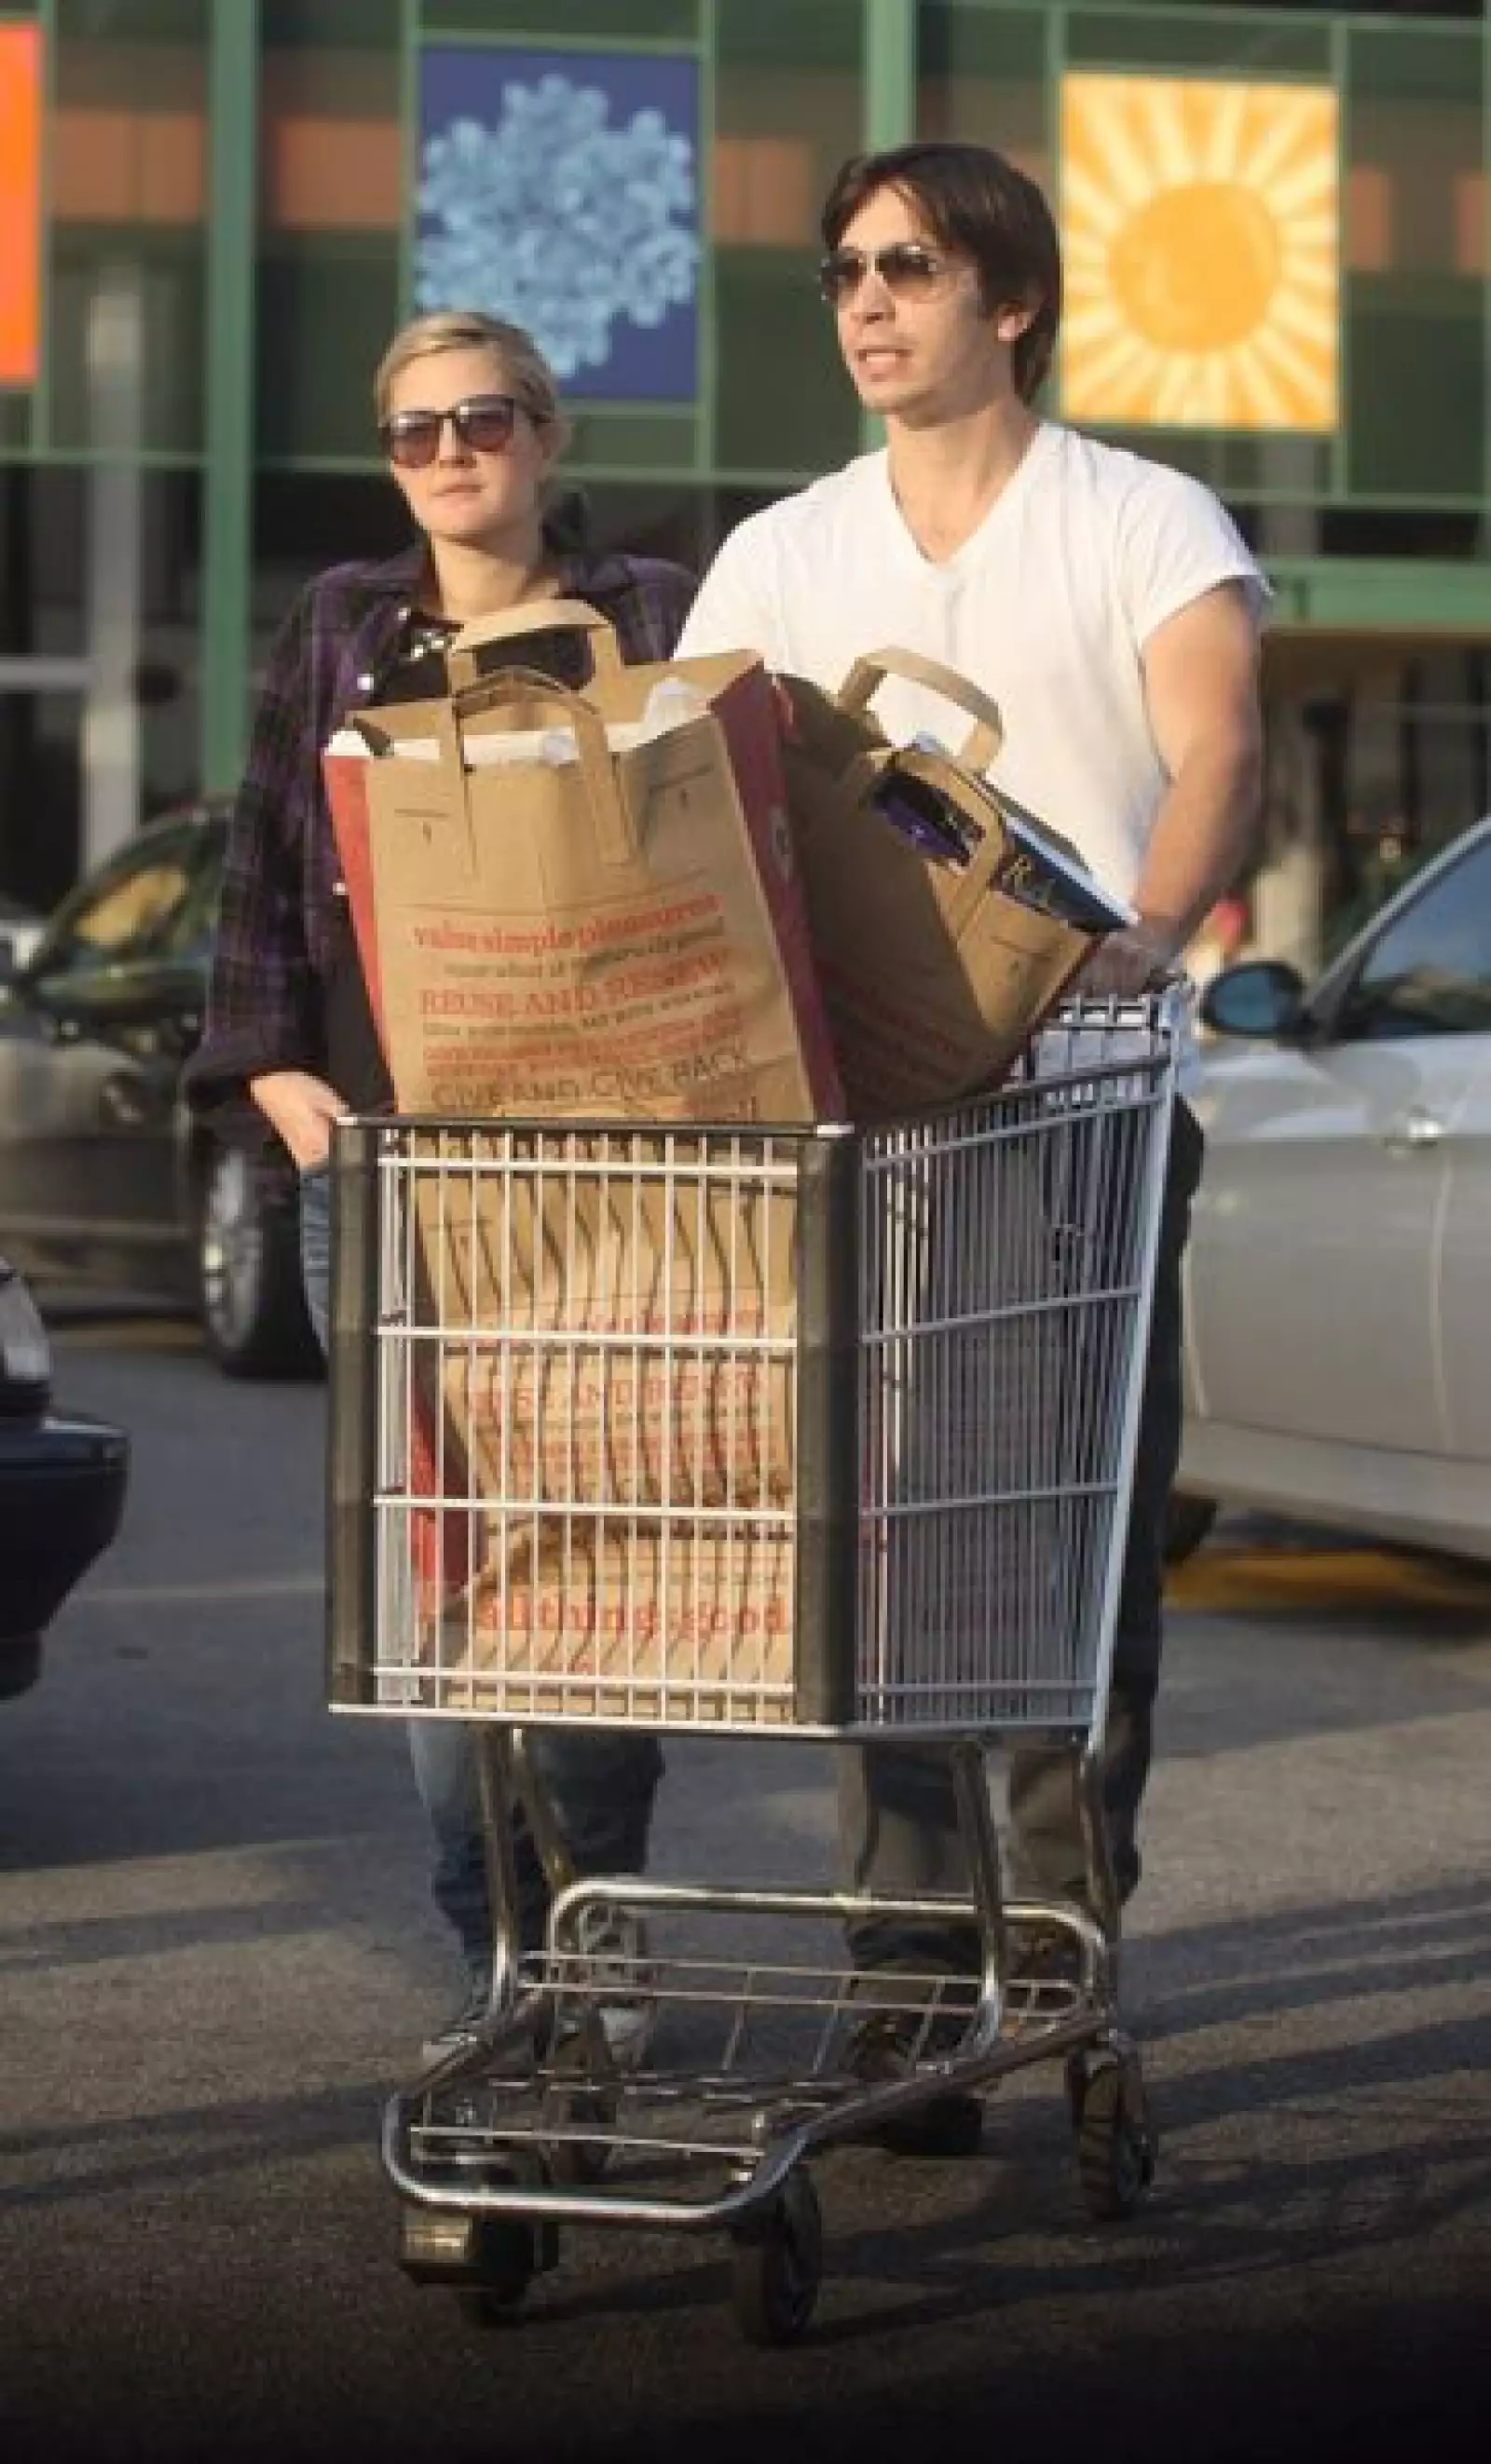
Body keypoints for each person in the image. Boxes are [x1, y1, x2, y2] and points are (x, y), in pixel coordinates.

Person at [677, 142, 1265, 2121]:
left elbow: (1217, 746)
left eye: (906, 266)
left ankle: (1060, 1948)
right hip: (859, 1126)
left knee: (1062, 1552)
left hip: (1080, 1112)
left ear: (1004, 299)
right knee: (882, 1545)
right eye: (841, 269)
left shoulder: (1136, 517)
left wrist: (1141, 941)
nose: (863, 300)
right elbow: (705, 804)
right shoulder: (779, 551)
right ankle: (913, 1984)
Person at [185, 309, 694, 2063]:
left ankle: (600, 1927)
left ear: (546, 437)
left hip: (614, 1177)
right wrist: (286, 1088)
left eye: (484, 421)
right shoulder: (343, 621)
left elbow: (717, 861)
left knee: (595, 1561)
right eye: (416, 432)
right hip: (391, 1163)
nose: (452, 453)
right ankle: (497, 1950)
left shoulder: (651, 612)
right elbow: (258, 865)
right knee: (446, 1579)